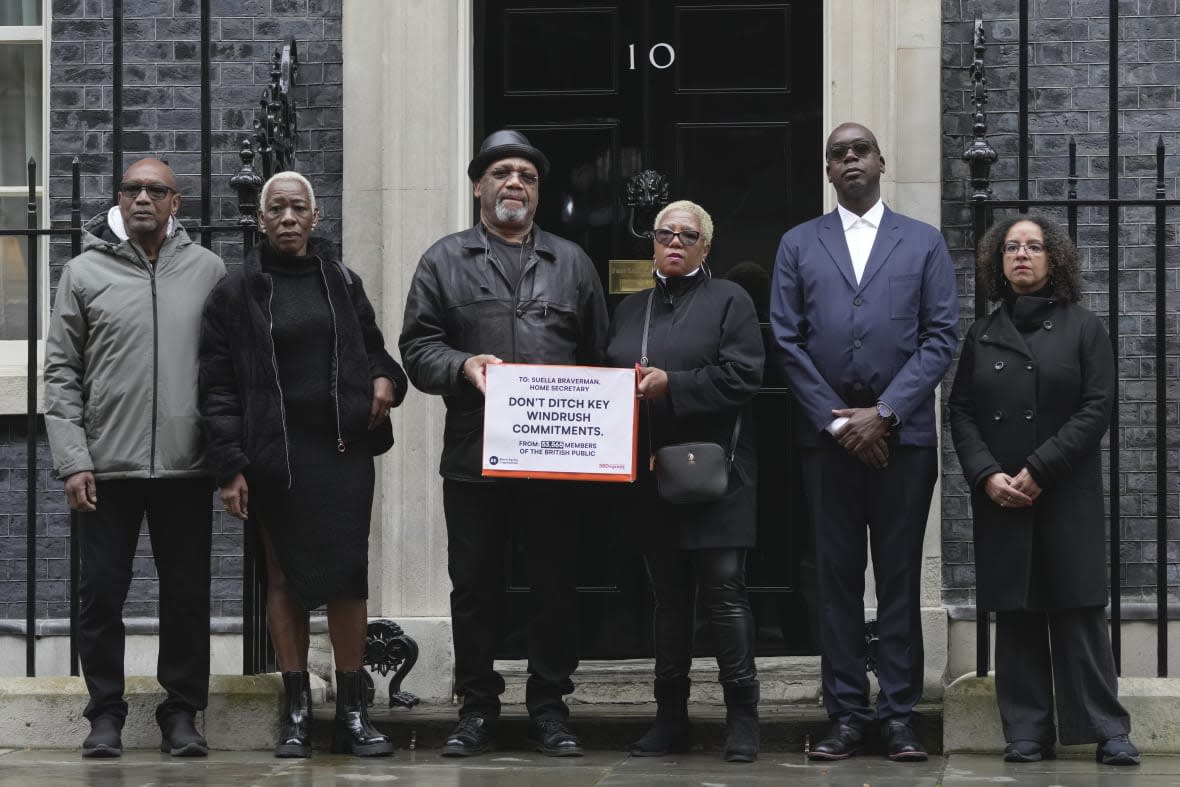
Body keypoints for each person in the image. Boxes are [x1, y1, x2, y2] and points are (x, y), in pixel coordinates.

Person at [399, 129, 608, 757]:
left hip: (555, 460)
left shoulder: (571, 263)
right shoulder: (443, 260)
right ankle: (478, 708)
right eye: (501, 173)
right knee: (475, 585)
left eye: (527, 175)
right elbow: (417, 349)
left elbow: (599, 357)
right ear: (478, 186)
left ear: (538, 191)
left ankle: (550, 706)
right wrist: (462, 367)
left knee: (552, 585)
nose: (514, 183)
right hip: (473, 458)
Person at [199, 171, 407, 759]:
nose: (288, 218)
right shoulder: (236, 291)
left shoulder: (340, 279)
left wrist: (387, 380)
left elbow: (375, 350)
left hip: (341, 452)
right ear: (261, 220)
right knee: (284, 577)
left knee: (347, 577)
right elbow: (217, 387)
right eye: (277, 209)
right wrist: (230, 466)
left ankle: (352, 714)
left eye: (298, 209)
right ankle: (295, 714)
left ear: (316, 218)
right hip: (276, 458)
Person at [769, 123, 958, 761]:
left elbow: (940, 337)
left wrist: (886, 414)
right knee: (837, 580)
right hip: (828, 445)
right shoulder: (799, 244)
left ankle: (900, 715)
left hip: (904, 444)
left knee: (900, 579)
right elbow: (786, 340)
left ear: (881, 161)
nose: (849, 160)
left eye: (859, 151)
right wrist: (844, 424)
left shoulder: (923, 242)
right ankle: (847, 713)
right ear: (827, 171)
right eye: (837, 154)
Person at [44, 158, 226, 758]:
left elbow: (227, 372)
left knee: (186, 595)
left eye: (156, 190)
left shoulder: (209, 271)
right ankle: (104, 716)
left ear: (176, 204)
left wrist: (228, 459)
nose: (143, 197)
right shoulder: (82, 271)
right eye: (132, 189)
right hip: (105, 467)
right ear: (119, 200)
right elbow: (62, 372)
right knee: (100, 595)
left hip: (187, 466)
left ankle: (181, 714)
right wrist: (73, 460)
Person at [948, 215, 1140, 766]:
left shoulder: (1084, 327)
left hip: (1063, 491)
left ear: (1053, 259)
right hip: (1003, 494)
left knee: (1078, 612)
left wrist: (1040, 467)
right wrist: (987, 474)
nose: (1022, 255)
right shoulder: (980, 334)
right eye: (1012, 247)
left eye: (1033, 247)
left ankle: (1107, 729)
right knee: (1017, 612)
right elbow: (961, 412)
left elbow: (1096, 407)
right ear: (998, 263)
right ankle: (1027, 731)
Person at [606, 201, 764, 762]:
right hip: (650, 476)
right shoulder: (630, 310)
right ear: (652, 244)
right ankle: (670, 717)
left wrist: (674, 385)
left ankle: (742, 719)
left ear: (705, 247)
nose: (674, 242)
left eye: (687, 235)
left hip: (716, 473)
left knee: (723, 593)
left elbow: (746, 374)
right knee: (669, 599)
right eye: (665, 234)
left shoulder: (730, 300)